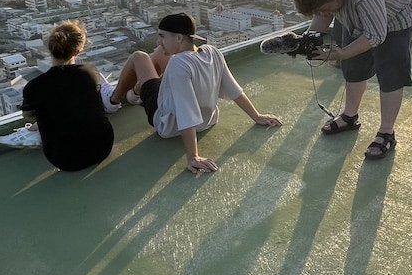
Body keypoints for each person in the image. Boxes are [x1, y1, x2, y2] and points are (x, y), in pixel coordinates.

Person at [109, 12, 282, 174]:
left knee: (140, 57)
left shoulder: (178, 64)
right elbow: (234, 90)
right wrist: (257, 116)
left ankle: (113, 100)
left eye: (162, 36)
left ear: (178, 37)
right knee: (160, 55)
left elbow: (186, 110)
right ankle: (137, 91)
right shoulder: (213, 52)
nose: (158, 41)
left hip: (167, 125)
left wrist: (193, 156)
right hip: (207, 121)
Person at [291, 0, 412, 160]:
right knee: (353, 67)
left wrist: (341, 53)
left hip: (396, 13)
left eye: (326, 9)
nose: (325, 14)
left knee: (390, 74)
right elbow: (323, 15)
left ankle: (387, 132)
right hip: (354, 11)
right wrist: (306, 42)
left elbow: (375, 35)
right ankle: (350, 116)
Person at [3, 19, 119, 172]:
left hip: (64, 159)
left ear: (49, 48)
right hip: (103, 147)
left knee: (46, 108)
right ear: (78, 51)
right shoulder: (90, 74)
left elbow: (27, 115)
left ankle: (32, 133)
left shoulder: (35, 86)